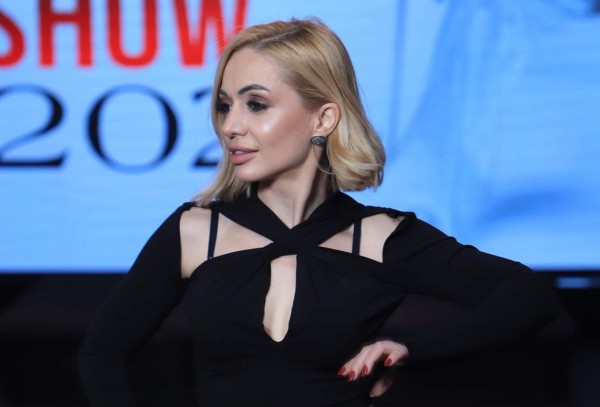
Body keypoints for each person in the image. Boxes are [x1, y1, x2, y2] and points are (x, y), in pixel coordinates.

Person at [78, 18, 559, 407]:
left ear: (323, 118)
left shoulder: (380, 236)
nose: (230, 126)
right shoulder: (195, 230)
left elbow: (528, 297)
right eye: (225, 106)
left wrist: (413, 350)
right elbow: (101, 354)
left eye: (255, 104)